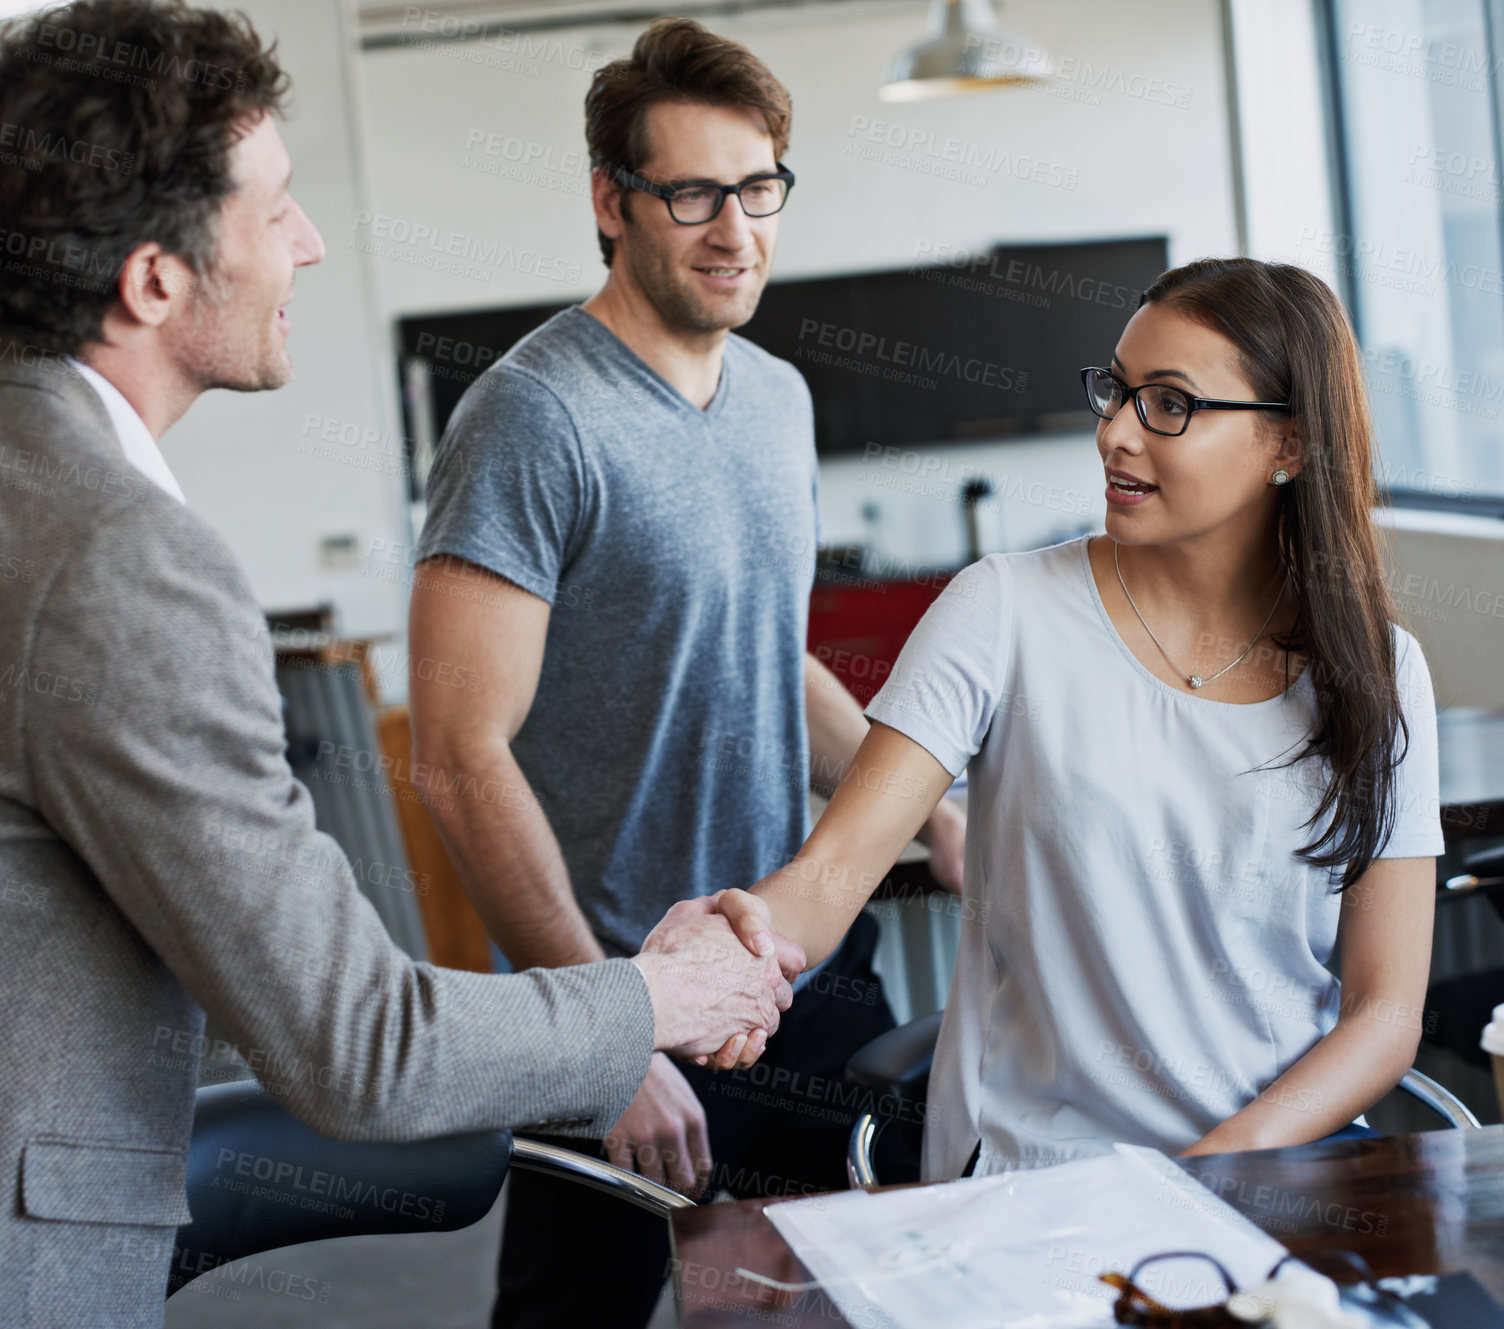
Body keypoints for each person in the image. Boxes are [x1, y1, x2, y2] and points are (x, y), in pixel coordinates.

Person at [0, 5, 794, 1325]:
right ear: (154, 279)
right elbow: (359, 1044)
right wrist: (652, 997)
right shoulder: (117, 559)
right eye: (276, 211)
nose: (308, 242)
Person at [406, 16, 965, 1327]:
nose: (737, 229)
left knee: (848, 1294)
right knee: (574, 1312)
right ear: (612, 201)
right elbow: (454, 752)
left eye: (760, 187)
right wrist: (603, 1031)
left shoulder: (777, 397)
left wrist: (927, 802)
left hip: (792, 960)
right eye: (695, 193)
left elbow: (772, 656)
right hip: (621, 985)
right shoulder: (530, 418)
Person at [711, 257, 1446, 1179]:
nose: (1115, 434)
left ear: (1287, 446)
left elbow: (1383, 1014)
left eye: (1169, 404)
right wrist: (741, 938)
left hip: (1275, 1164)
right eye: (1118, 391)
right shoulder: (1003, 610)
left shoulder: (1378, 672)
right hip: (1047, 1171)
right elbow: (829, 876)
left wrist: (1221, 1166)